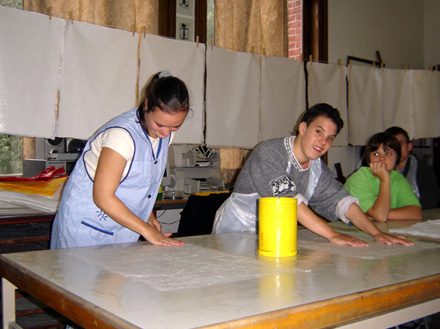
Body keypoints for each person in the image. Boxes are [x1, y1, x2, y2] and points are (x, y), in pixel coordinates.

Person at [212, 103, 412, 246]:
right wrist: (333, 235)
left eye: (330, 138)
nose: (323, 142)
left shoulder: (315, 168)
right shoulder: (269, 153)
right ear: (302, 128)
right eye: (318, 132)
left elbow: (341, 201)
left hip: (276, 236)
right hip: (234, 235)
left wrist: (376, 234)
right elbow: (289, 201)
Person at [51, 71, 189, 249]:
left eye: (175, 126)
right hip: (87, 230)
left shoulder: (164, 133)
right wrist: (148, 232)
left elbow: (137, 184)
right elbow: (103, 197)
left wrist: (147, 215)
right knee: (81, 276)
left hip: (121, 229)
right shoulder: (121, 136)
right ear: (146, 105)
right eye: (160, 124)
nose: (166, 133)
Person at [345, 132, 422, 222]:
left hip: (385, 228)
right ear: (369, 158)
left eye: (388, 153)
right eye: (376, 154)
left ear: (397, 158)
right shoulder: (359, 178)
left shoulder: (397, 177)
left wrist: (383, 214)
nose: (382, 158)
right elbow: (380, 216)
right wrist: (384, 179)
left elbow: (416, 213)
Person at [385, 126, 440, 209]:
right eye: (391, 145)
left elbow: (429, 206)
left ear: (409, 146)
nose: (396, 148)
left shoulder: (424, 171)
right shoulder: (377, 170)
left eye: (400, 144)